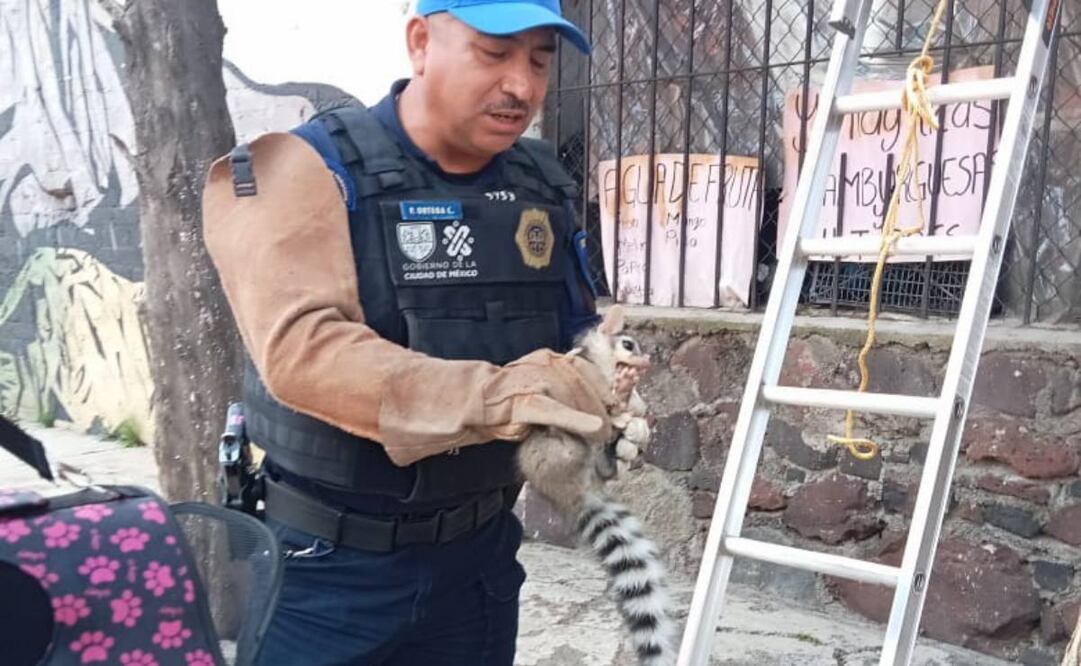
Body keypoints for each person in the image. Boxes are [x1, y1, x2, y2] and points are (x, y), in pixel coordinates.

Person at [201, 1, 616, 664]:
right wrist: (502, 395)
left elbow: (574, 329)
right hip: (327, 570)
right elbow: (304, 353)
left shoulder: (541, 183)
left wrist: (603, 375)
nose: (521, 85)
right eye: (494, 53)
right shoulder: (308, 168)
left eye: (540, 61)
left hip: (478, 561)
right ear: (420, 42)